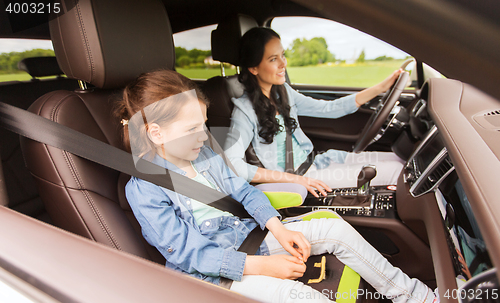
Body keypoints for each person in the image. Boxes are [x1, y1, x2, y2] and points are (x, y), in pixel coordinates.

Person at [117, 69, 436, 303]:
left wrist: (278, 228)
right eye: (192, 129)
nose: (204, 136)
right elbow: (190, 255)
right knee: (301, 297)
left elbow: (244, 191)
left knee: (334, 229)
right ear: (157, 134)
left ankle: (417, 297)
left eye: (204, 125)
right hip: (212, 276)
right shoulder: (146, 189)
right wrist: (263, 266)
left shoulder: (206, 158)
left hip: (247, 239)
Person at [224, 27, 406, 197]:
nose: (283, 64)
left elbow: (329, 109)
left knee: (399, 159)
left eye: (283, 55)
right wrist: (297, 179)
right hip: (301, 178)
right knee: (398, 172)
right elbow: (232, 163)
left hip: (318, 162)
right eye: (273, 59)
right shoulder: (244, 111)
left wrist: (381, 87)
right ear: (253, 68)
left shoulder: (283, 92)